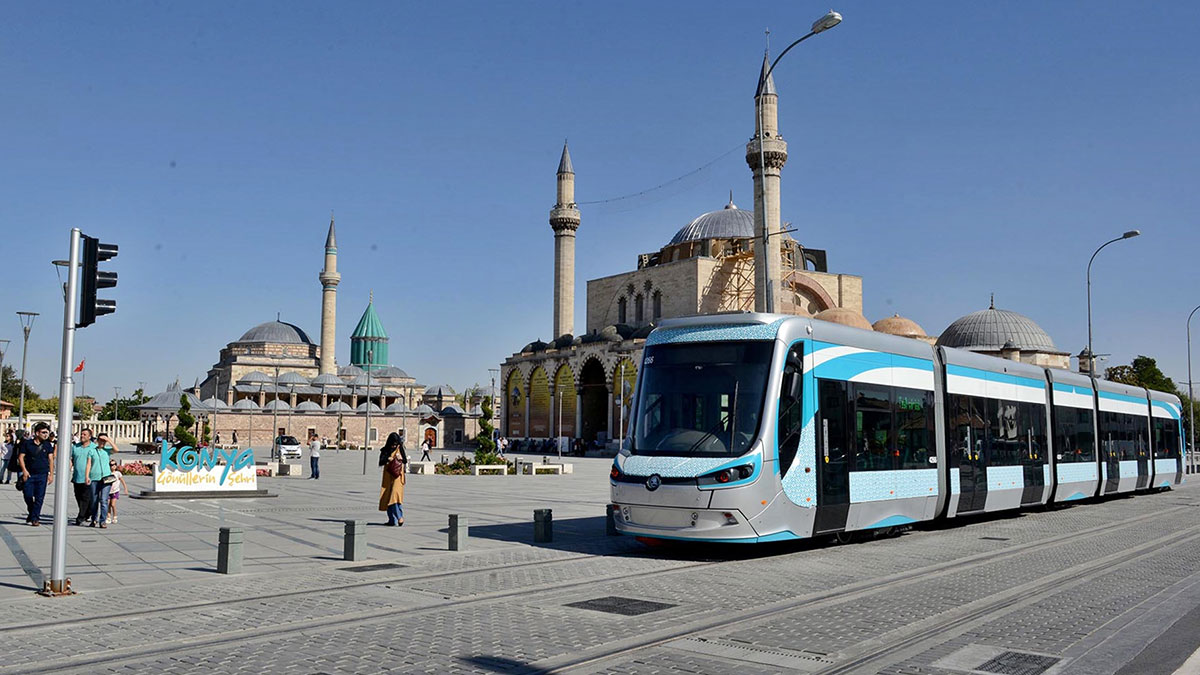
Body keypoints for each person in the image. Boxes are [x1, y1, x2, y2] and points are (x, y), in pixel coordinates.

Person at [16, 422, 55, 526]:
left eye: (47, 432)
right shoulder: (27, 444)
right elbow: (21, 457)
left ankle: (35, 518)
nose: (46, 435)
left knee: (39, 498)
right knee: (28, 496)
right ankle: (32, 513)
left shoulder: (47, 445)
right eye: (43, 432)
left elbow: (51, 459)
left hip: (42, 474)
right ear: (37, 433)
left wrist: (51, 474)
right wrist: (24, 471)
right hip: (29, 474)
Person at [378, 432, 407, 526]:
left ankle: (399, 517)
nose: (394, 446)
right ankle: (391, 520)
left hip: (398, 477)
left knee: (394, 497)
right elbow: (381, 461)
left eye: (396, 444)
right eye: (393, 444)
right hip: (387, 476)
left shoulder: (400, 448)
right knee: (387, 497)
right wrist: (388, 458)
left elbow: (405, 460)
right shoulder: (385, 450)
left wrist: (401, 458)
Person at [87, 439, 115, 529]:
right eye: (101, 441)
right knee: (94, 500)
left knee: (103, 500)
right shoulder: (92, 451)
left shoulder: (107, 450)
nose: (102, 443)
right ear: (97, 441)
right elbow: (88, 464)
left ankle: (102, 521)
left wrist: (108, 440)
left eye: (104, 442)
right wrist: (87, 476)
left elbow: (116, 449)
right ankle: (93, 519)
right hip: (94, 478)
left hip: (106, 478)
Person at [70, 428, 96, 526]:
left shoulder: (94, 447)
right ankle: (87, 512)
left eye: (85, 434)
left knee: (85, 498)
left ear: (89, 436)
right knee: (78, 497)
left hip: (89, 478)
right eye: (81, 434)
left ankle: (80, 517)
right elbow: (71, 460)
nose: (82, 436)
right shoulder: (75, 447)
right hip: (77, 477)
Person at [106, 458, 128, 524]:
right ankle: (108, 517)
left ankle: (115, 516)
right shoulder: (107, 472)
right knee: (107, 505)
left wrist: (125, 488)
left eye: (115, 464)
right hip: (108, 491)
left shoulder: (118, 473)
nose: (113, 466)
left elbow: (122, 481)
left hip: (115, 491)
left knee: (113, 504)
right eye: (111, 465)